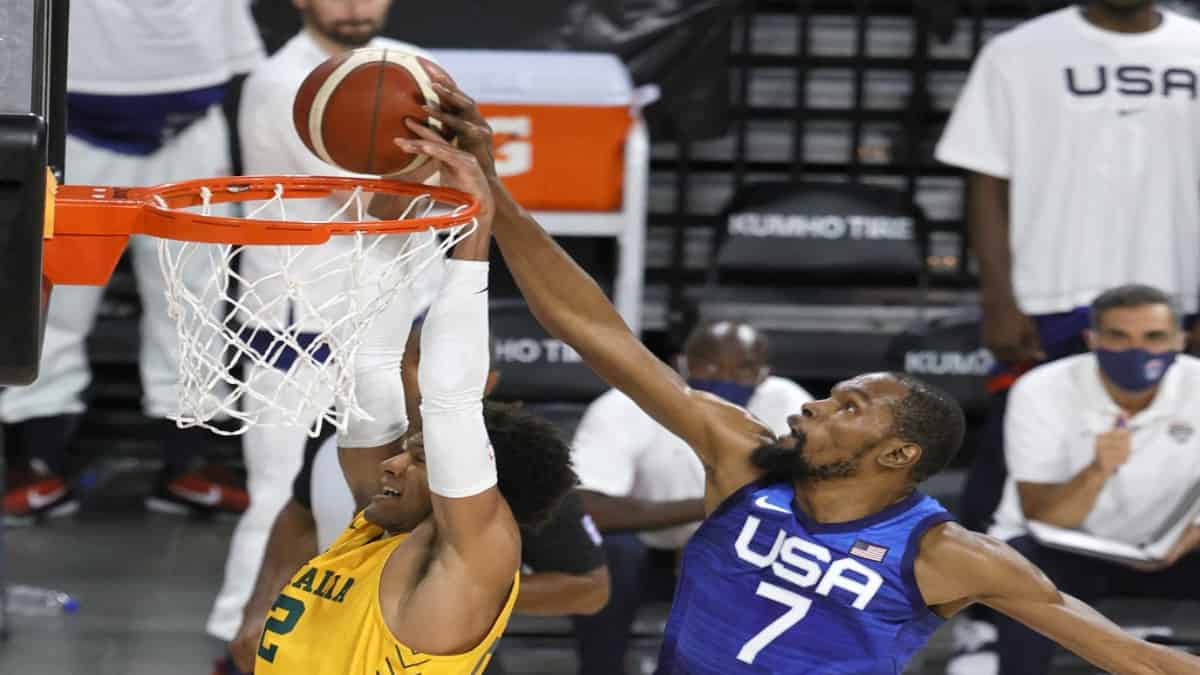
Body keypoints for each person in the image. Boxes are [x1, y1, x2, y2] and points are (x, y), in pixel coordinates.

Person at [412, 73, 1200, 673]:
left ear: (898, 454)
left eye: (848, 406)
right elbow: (593, 330)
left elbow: (1134, 656)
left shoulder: (948, 553)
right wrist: (498, 198)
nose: (814, 406)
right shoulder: (739, 456)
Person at [249, 121, 578, 674]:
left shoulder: (475, 556)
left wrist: (474, 235)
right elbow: (367, 359)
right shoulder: (375, 525)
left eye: (421, 457)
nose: (395, 461)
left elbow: (451, 400)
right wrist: (392, 209)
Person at [205, 0, 444, 646]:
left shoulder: (408, 70)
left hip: (386, 323)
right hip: (298, 328)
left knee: (370, 496)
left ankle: (332, 635)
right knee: (283, 495)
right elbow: (381, 199)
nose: (354, 5)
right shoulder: (285, 82)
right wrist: (449, 156)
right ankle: (236, 634)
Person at [934, 0, 1200, 541]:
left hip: (1177, 292)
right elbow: (986, 181)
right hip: (1050, 293)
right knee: (1018, 448)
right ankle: (984, 615)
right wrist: (998, 300)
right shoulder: (1017, 53)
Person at [218, 322, 608, 675]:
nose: (431, 378)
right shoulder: (340, 431)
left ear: (487, 381)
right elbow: (298, 518)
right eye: (416, 361)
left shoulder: (503, 468)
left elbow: (590, 588)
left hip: (422, 646)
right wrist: (258, 609)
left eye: (446, 367)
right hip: (308, 635)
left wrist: (460, 585)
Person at [1, 0, 263, 522]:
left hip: (192, 131)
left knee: (194, 302)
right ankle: (34, 461)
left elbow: (239, 55)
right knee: (51, 300)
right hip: (70, 128)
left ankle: (188, 464)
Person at [570, 319, 811, 675]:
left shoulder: (788, 404)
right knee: (610, 550)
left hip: (744, 551)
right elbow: (587, 507)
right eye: (710, 364)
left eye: (743, 368)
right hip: (648, 557)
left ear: (763, 374)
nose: (725, 377)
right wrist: (712, 509)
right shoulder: (625, 403)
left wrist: (714, 536)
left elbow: (817, 498)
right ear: (680, 362)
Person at [980, 284, 1200, 674]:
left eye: (1154, 337)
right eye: (1118, 337)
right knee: (1020, 568)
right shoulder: (1041, 390)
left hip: (1173, 551)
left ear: (1180, 340)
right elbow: (1045, 516)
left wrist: (1181, 544)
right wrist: (1097, 471)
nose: (1138, 351)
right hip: (1065, 548)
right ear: (1091, 339)